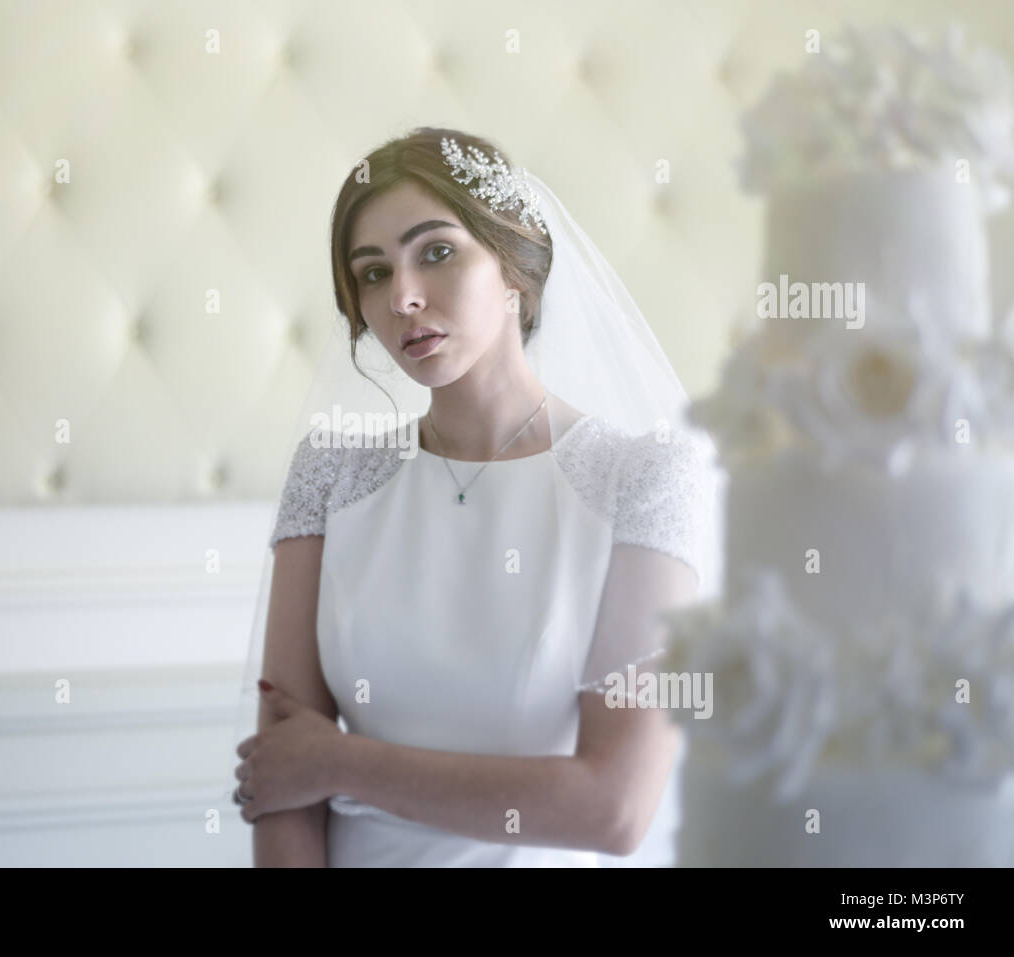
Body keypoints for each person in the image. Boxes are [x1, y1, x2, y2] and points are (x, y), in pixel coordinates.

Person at [227, 127, 720, 866]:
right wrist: (308, 765)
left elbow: (613, 808)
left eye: (436, 252)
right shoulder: (330, 475)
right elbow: (281, 792)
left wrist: (337, 762)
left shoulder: (643, 480)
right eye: (371, 272)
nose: (403, 296)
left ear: (514, 267)